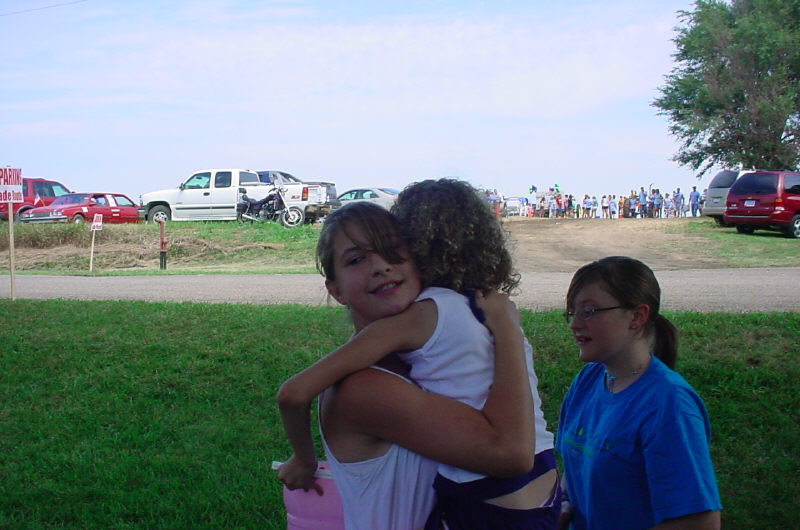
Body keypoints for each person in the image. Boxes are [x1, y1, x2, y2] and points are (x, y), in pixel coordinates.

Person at [279, 181, 560, 529]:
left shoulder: (432, 341)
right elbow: (511, 454)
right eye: (356, 259)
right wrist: (508, 332)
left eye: (393, 249)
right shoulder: (363, 387)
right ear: (335, 291)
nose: (380, 266)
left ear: (420, 255)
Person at [556, 256, 722, 529]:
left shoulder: (669, 405)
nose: (574, 324)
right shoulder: (588, 380)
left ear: (637, 316)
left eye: (589, 311)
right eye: (572, 312)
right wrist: (564, 498)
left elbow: (701, 521)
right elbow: (578, 463)